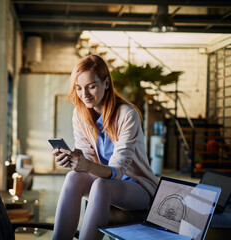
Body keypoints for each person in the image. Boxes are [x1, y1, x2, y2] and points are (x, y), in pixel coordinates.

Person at [51, 55, 159, 240]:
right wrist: (73, 160)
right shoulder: (80, 114)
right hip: (103, 181)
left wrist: (86, 165)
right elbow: (86, 157)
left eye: (91, 86)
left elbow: (117, 170)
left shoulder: (127, 114)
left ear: (106, 83)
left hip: (138, 187)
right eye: (78, 88)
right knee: (73, 177)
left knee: (102, 186)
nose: (84, 94)